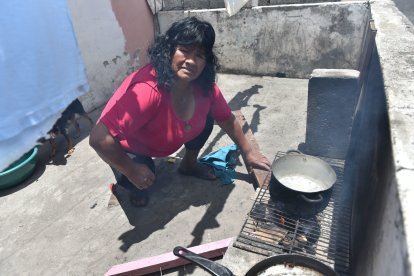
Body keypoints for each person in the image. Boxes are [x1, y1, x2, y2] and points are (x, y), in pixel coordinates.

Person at [89, 17, 271, 207]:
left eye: (200, 55)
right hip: (131, 145)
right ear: (169, 52)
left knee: (206, 117)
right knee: (143, 178)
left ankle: (189, 165)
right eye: (184, 51)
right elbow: (99, 138)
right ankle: (131, 185)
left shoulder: (205, 88)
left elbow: (227, 119)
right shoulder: (148, 90)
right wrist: (131, 169)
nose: (191, 61)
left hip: (166, 136)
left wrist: (249, 152)